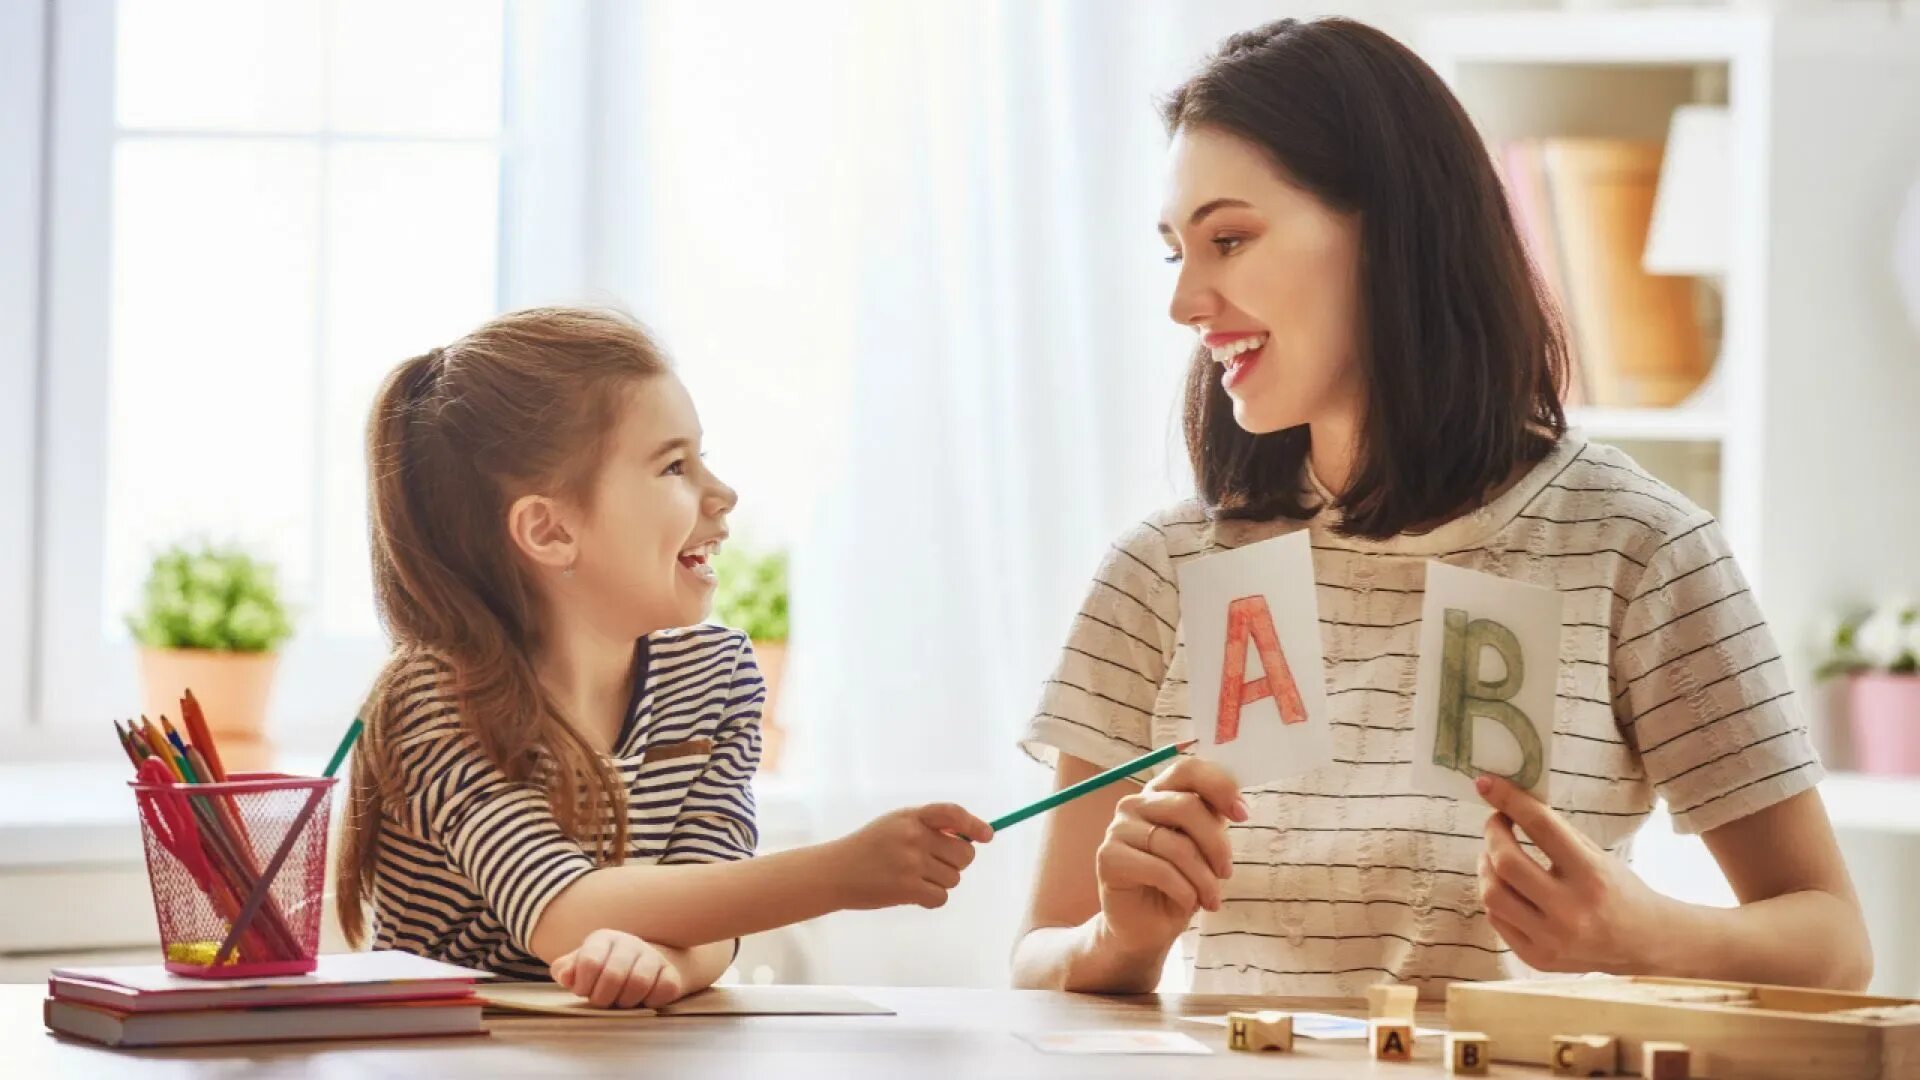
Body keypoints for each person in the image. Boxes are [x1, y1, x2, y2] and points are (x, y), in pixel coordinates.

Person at [1011, 17, 1869, 998]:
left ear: (1392, 231)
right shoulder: (1159, 573)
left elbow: (1835, 944)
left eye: (1231, 239)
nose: (1186, 302)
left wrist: (1645, 933)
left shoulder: (1636, 549)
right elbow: (1039, 956)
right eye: (1177, 253)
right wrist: (1115, 942)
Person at [337, 307, 992, 1008]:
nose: (723, 493)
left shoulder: (715, 678)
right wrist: (838, 873)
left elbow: (714, 904)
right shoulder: (434, 700)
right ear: (550, 529)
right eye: (675, 465)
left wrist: (667, 967)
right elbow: (562, 910)